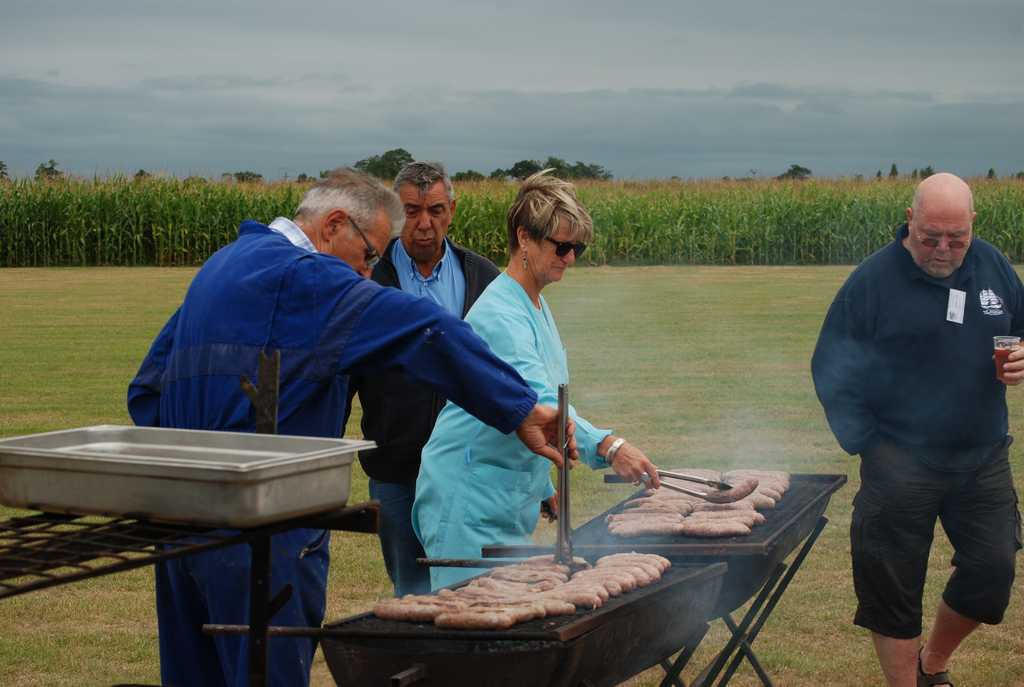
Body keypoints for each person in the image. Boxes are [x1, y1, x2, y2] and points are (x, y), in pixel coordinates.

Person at [127, 168, 575, 687]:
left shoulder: (220, 266)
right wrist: (518, 408)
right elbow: (428, 331)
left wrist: (201, 463)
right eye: (368, 257)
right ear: (334, 225)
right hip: (265, 532)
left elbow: (147, 388)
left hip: (182, 529)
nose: (365, 275)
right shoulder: (309, 278)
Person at [811, 172, 1023, 687]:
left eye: (956, 238)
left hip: (981, 456)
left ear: (973, 224)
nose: (943, 249)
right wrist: (868, 443)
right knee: (892, 586)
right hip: (900, 459)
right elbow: (830, 365)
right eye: (931, 237)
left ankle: (933, 663)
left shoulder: (993, 265)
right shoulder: (872, 281)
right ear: (910, 220)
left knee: (992, 570)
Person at [412, 170, 661, 590]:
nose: (570, 257)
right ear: (524, 237)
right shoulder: (500, 315)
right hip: (467, 499)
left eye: (577, 247)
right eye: (561, 246)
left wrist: (542, 485)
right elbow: (539, 401)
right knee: (469, 614)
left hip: (502, 492)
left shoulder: (533, 303)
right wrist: (609, 446)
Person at [348, 161, 500, 596]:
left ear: (452, 210)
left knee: (475, 589)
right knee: (411, 593)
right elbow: (343, 374)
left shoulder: (484, 278)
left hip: (470, 469)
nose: (424, 224)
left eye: (435, 210)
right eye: (411, 211)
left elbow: (505, 373)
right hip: (396, 470)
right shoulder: (367, 281)